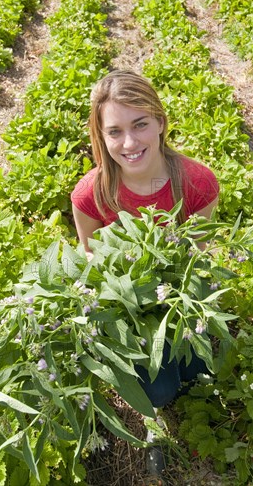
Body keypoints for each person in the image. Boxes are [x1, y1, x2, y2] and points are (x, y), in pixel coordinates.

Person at [71, 69, 219, 408]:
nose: (129, 143)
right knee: (159, 391)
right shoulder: (89, 195)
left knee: (198, 372)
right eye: (115, 131)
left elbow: (197, 253)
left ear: (161, 123)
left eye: (140, 124)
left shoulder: (197, 183)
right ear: (101, 138)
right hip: (129, 309)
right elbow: (92, 257)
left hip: (176, 298)